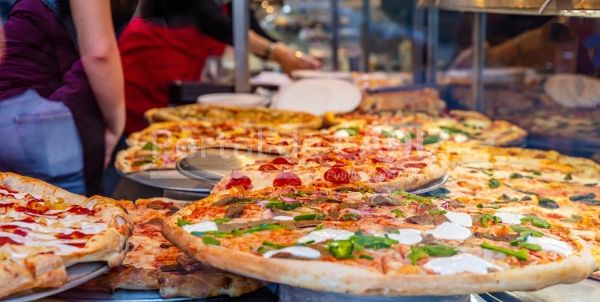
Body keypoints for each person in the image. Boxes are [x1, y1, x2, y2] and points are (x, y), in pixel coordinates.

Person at [119, 0, 321, 136]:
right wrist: (278, 53)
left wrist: (292, 56)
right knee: (140, 131)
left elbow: (244, 24)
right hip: (150, 57)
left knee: (175, 131)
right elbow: (213, 21)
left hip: (186, 66)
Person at [0, 0, 125, 195]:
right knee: (74, 218)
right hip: (34, 121)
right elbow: (100, 52)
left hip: (22, 112)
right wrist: (116, 122)